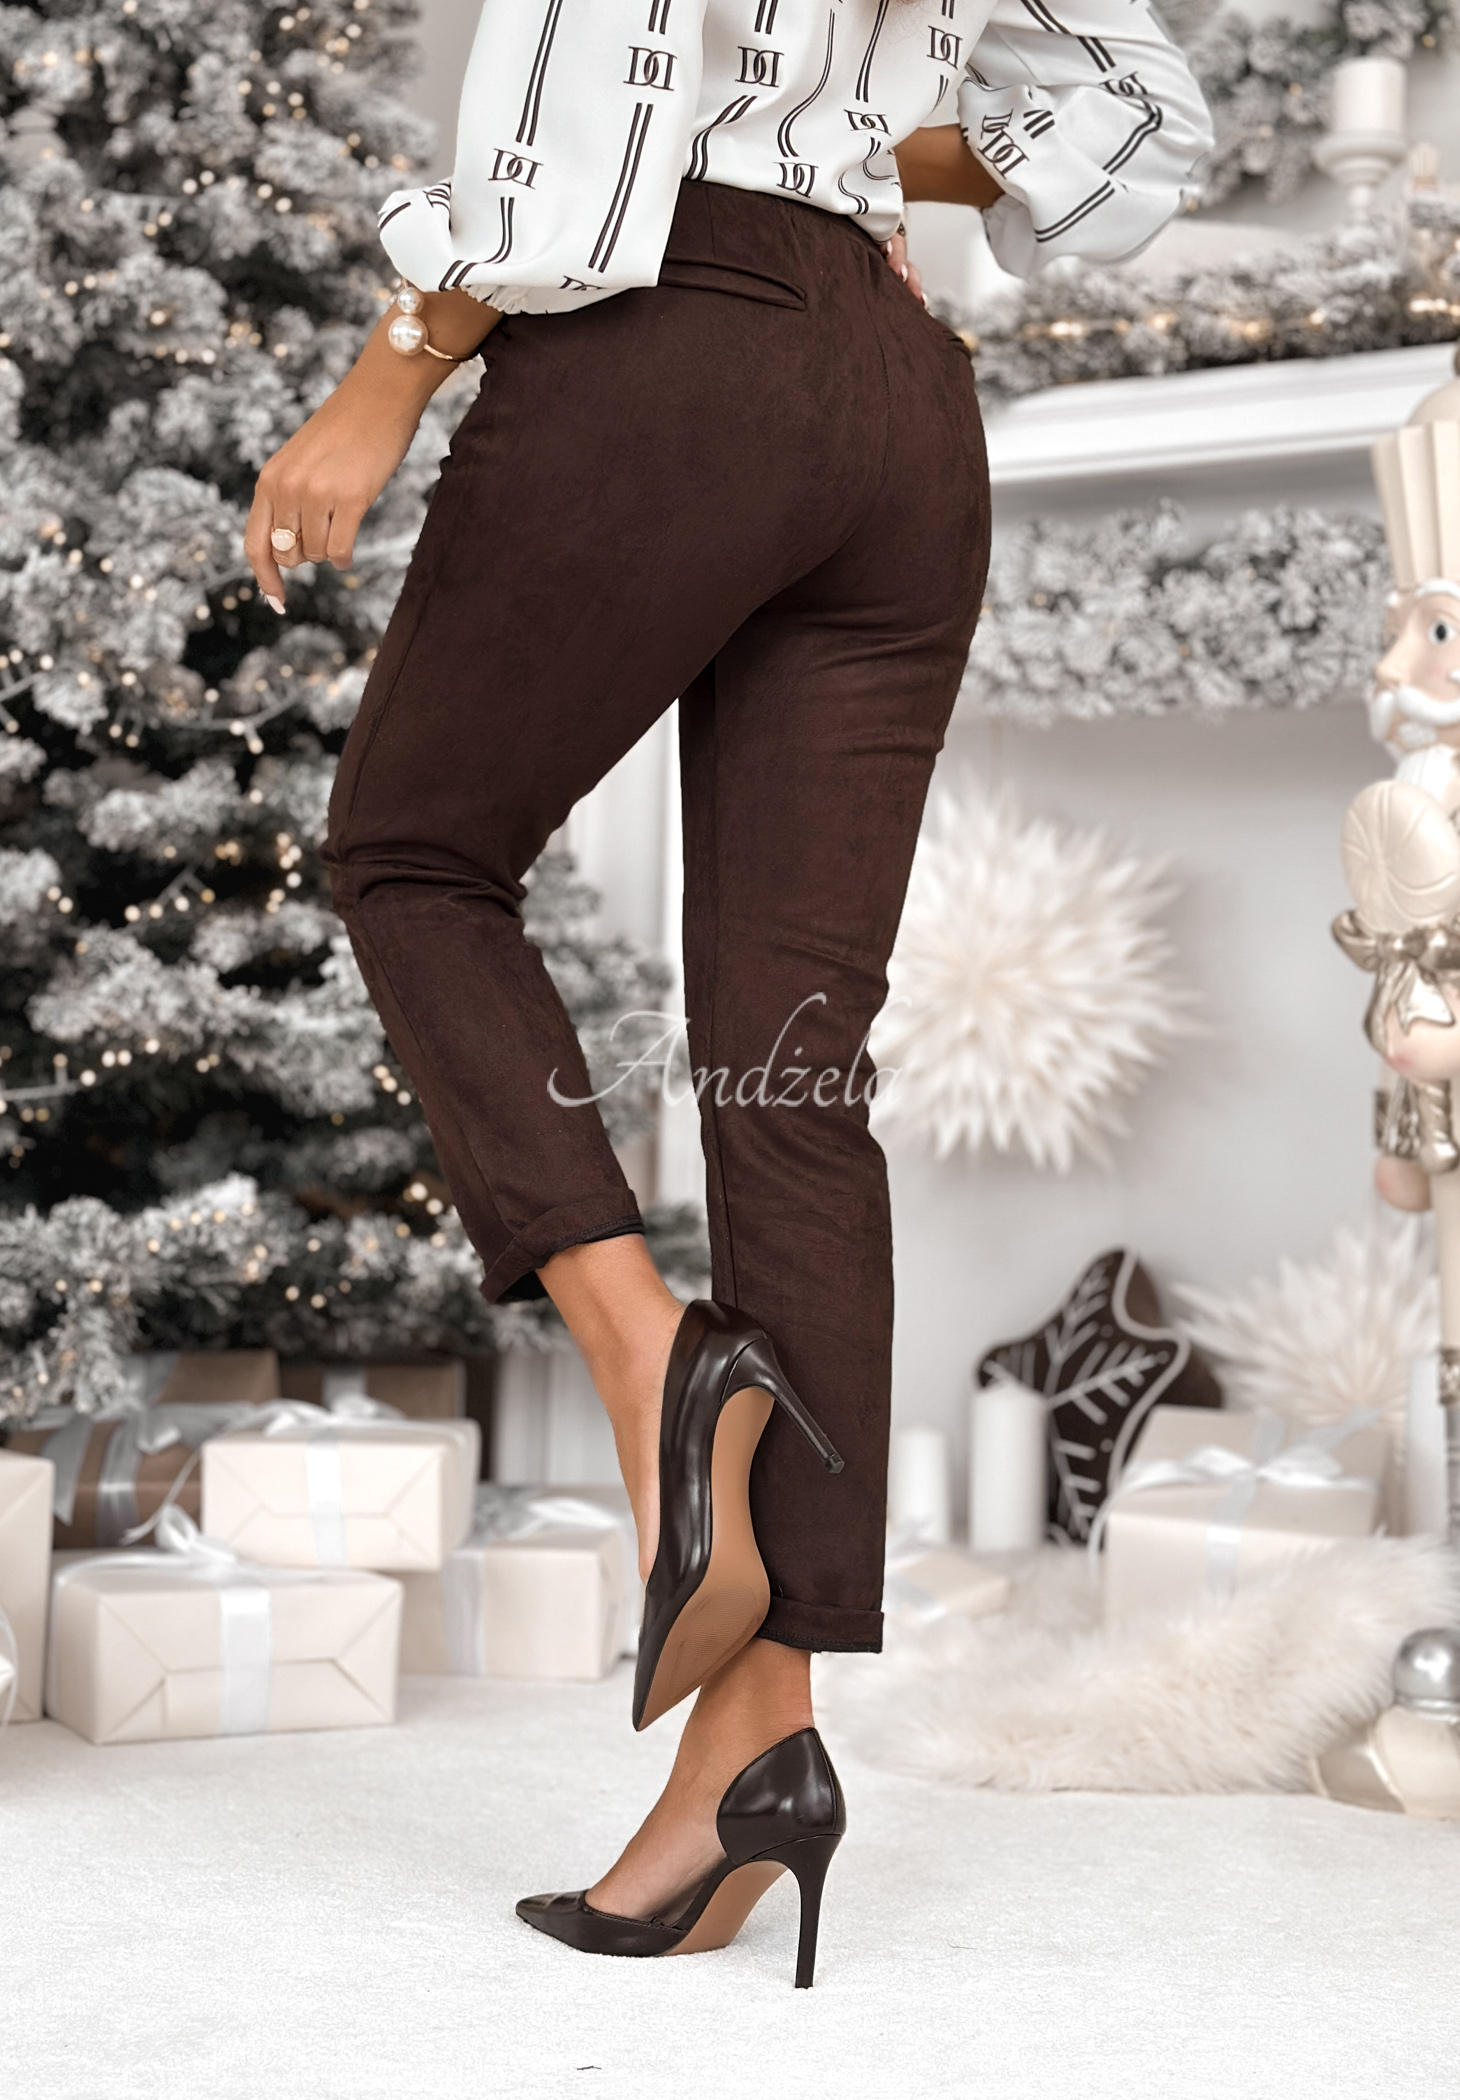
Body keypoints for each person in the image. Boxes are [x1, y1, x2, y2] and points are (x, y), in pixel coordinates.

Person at [246, 0, 1211, 1988]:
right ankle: (754, 1754)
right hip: (898, 396)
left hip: (668, 340)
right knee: (795, 1081)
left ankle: (643, 1359)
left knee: (412, 855)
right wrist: (845, 157)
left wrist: (392, 365)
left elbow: (588, 107)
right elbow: (1137, 119)